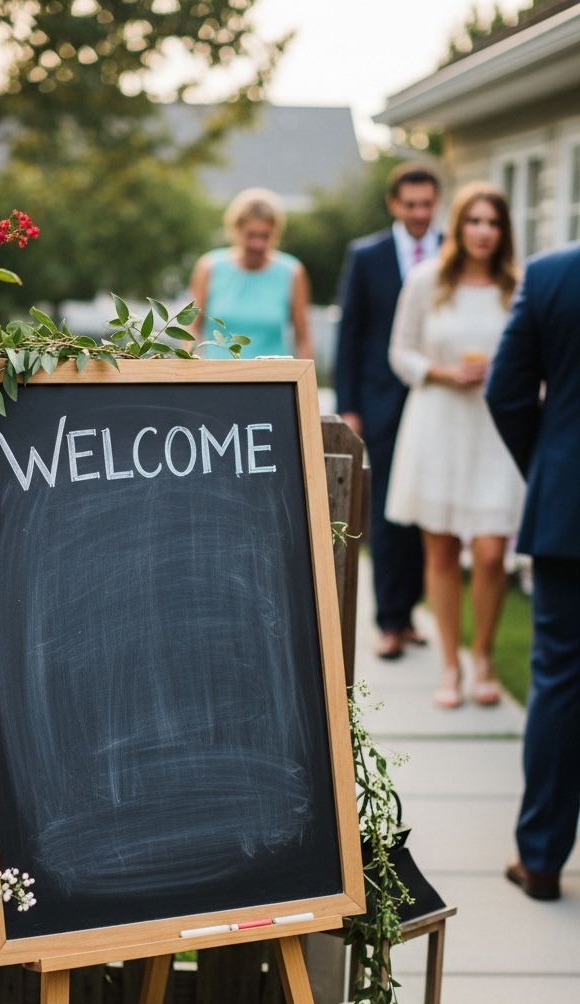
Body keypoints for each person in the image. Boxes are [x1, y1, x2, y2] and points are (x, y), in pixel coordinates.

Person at [386, 182, 524, 709]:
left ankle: (482, 655)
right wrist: (442, 372)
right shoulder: (427, 281)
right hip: (438, 421)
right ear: (458, 226)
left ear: (503, 230)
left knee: (491, 552)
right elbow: (400, 352)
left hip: (494, 429)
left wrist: (506, 376)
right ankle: (450, 664)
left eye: (493, 222)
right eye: (474, 221)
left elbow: (536, 359)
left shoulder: (518, 285)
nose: (483, 231)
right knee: (440, 549)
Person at [486, 243, 580, 902]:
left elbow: (506, 391)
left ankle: (542, 860)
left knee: (562, 677)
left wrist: (549, 464)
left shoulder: (551, 275)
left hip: (569, 506)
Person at [335, 162, 442, 660]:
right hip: (378, 403)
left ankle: (410, 610)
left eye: (427, 204)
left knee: (424, 509)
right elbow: (350, 332)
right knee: (384, 513)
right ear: (394, 204)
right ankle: (388, 622)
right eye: (411, 204)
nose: (420, 214)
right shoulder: (367, 255)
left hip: (435, 403)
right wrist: (350, 406)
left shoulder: (451, 254)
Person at [190, 187, 313, 360]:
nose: (258, 244)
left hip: (273, 381)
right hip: (217, 379)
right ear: (236, 230)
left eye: (265, 236)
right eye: (251, 235)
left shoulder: (292, 272)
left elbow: (303, 340)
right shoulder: (208, 267)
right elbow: (192, 330)